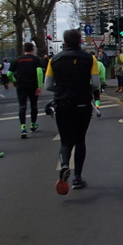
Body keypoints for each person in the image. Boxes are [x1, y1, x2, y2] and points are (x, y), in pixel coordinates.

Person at [44, 29, 100, 194]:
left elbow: (47, 85)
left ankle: (64, 165)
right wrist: (83, 88)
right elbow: (96, 84)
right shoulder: (90, 59)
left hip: (62, 103)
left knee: (66, 141)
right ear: (80, 41)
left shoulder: (54, 60)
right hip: (82, 102)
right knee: (80, 140)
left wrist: (61, 89)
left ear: (65, 42)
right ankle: (77, 177)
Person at [9, 42, 43, 138]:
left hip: (21, 85)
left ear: (24, 50)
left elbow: (9, 74)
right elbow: (39, 72)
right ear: (32, 49)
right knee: (34, 105)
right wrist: (39, 85)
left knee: (22, 106)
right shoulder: (36, 59)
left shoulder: (17, 60)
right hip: (33, 85)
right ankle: (33, 124)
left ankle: (23, 127)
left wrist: (14, 81)